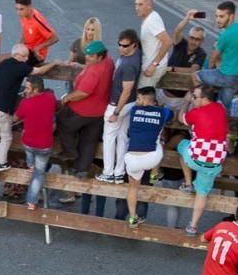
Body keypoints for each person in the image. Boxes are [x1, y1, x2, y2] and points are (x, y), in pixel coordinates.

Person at [0, 44, 52, 170]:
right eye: (24, 57)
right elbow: (40, 71)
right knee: (6, 136)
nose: (26, 59)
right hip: (1, 108)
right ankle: (1, 162)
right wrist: (55, 63)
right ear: (16, 55)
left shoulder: (5, 63)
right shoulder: (20, 67)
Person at [56, 40, 113, 178]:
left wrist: (67, 98)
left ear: (99, 56)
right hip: (99, 111)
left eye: (91, 56)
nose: (87, 58)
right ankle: (82, 169)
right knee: (89, 141)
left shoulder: (94, 71)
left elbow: (82, 93)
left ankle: (69, 151)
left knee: (63, 122)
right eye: (87, 55)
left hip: (81, 110)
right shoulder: (109, 62)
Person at [177, 85, 228, 236]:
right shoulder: (220, 108)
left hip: (196, 159)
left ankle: (187, 184)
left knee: (182, 145)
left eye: (195, 97)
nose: (193, 100)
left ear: (204, 99)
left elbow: (181, 118)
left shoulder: (196, 112)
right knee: (202, 193)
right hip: (215, 162)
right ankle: (192, 226)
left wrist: (185, 102)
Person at [96, 29, 141, 184]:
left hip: (118, 104)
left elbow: (127, 90)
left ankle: (108, 172)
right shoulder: (136, 55)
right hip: (130, 104)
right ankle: (119, 173)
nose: (121, 48)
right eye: (119, 45)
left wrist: (116, 111)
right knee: (122, 137)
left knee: (108, 137)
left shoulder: (129, 64)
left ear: (134, 45)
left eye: (125, 46)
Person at [123, 87, 172, 227]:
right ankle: (154, 174)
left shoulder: (134, 111)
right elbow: (171, 114)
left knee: (133, 188)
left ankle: (133, 218)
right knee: (160, 142)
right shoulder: (163, 112)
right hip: (152, 158)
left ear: (144, 99)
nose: (137, 101)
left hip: (132, 158)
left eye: (138, 98)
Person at [194, 2, 238, 117]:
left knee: (195, 76)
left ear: (231, 16)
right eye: (217, 16)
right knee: (222, 107)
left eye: (222, 16)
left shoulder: (226, 35)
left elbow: (213, 58)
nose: (218, 20)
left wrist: (209, 72)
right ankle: (225, 130)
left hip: (226, 75)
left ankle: (202, 106)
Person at [14, 75, 56, 210]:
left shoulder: (25, 104)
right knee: (39, 173)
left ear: (35, 89)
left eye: (27, 88)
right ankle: (31, 202)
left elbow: (15, 118)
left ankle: (30, 164)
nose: (25, 90)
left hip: (29, 143)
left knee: (31, 159)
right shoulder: (50, 98)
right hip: (44, 145)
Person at [164, 11, 206, 110]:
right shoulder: (181, 44)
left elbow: (193, 70)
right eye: (192, 38)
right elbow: (177, 31)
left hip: (180, 99)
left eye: (197, 39)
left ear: (202, 41)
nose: (193, 41)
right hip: (164, 93)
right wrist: (187, 18)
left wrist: (173, 69)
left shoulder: (201, 53)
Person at [135, 0, 171, 88]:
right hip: (152, 65)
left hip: (153, 69)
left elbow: (167, 42)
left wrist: (154, 65)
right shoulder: (151, 16)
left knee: (143, 97)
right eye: (136, 4)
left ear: (149, 6)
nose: (137, 8)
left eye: (140, 4)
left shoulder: (151, 21)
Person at [14, 0, 57, 65]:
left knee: (8, 63)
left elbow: (55, 38)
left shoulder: (38, 21)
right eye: (17, 9)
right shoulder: (23, 15)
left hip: (36, 55)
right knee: (5, 61)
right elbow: (26, 32)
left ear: (29, 7)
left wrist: (37, 48)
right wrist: (19, 45)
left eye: (21, 9)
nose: (18, 12)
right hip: (26, 50)